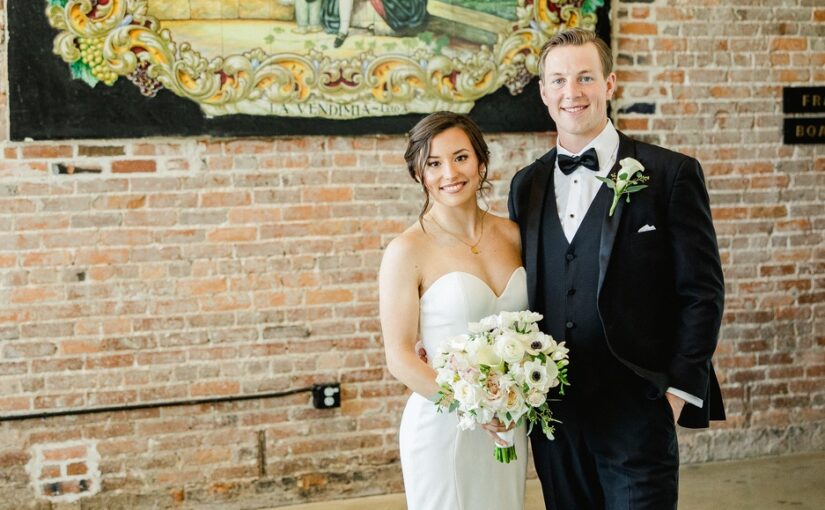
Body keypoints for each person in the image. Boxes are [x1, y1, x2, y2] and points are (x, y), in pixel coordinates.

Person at [508, 28, 726, 509]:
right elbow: (514, 287)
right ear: (543, 92)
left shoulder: (671, 174)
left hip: (638, 412)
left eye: (585, 77)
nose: (572, 92)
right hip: (555, 419)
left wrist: (676, 395)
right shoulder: (526, 186)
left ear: (609, 84)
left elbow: (702, 292)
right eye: (559, 80)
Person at [379, 112, 528, 509]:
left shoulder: (514, 235)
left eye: (460, 157)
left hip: (509, 423)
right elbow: (399, 356)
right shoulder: (406, 251)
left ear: (481, 163)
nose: (450, 172)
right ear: (418, 174)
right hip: (445, 424)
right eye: (434, 163)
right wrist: (473, 407)